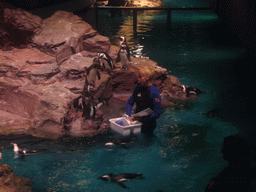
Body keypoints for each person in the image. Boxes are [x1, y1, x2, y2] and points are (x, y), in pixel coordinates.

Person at [126, 66, 161, 137]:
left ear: (147, 77)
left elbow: (157, 113)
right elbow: (130, 102)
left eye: (140, 77)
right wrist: (128, 115)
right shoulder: (138, 88)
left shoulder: (154, 92)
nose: (138, 79)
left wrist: (142, 118)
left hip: (148, 125)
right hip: (136, 122)